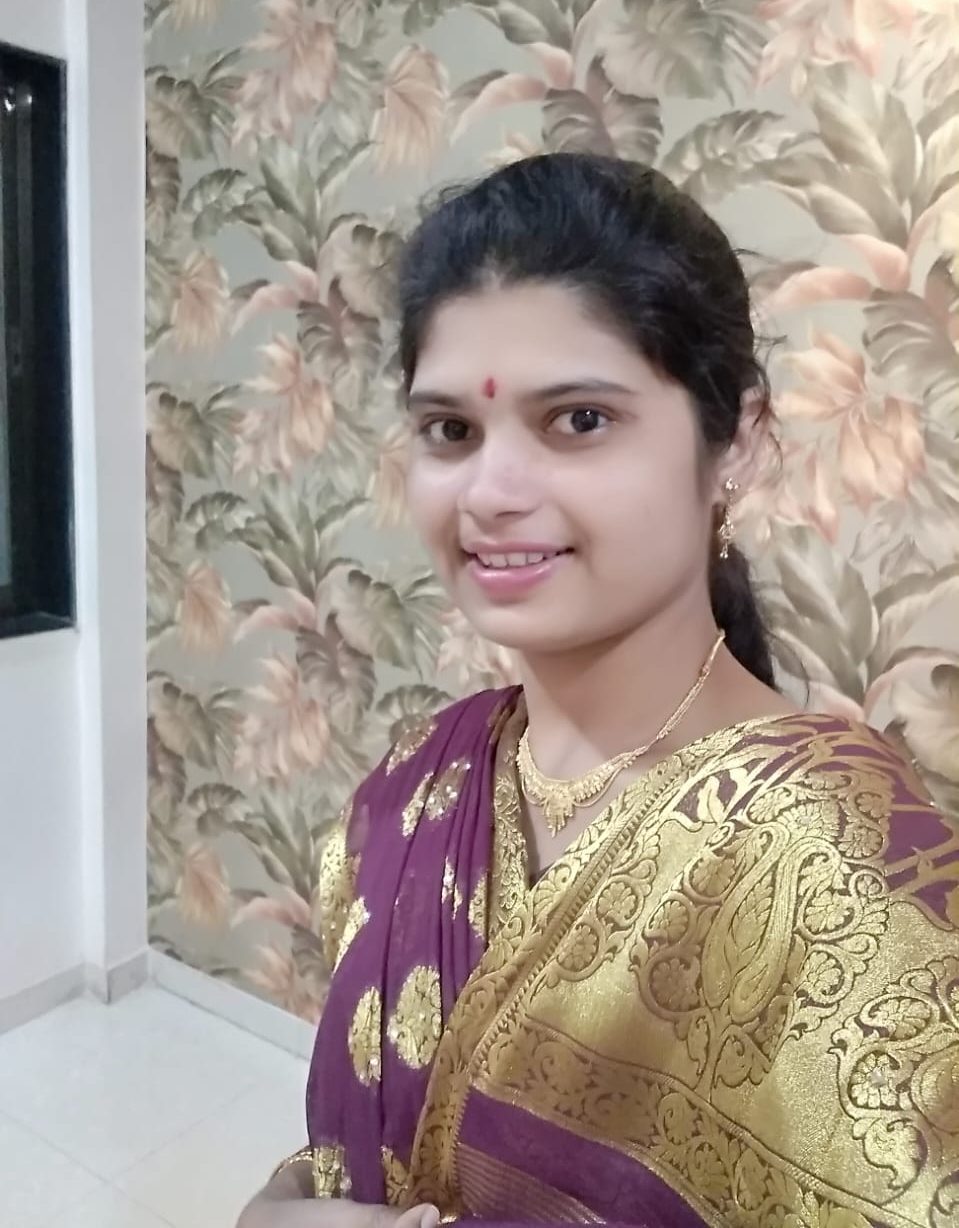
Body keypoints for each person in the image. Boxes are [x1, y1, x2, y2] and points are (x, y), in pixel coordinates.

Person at [237, 154, 959, 1228]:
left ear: (739, 442)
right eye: (450, 430)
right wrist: (273, 1207)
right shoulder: (416, 785)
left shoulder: (845, 876)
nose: (490, 492)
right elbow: (379, 1139)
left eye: (577, 419)